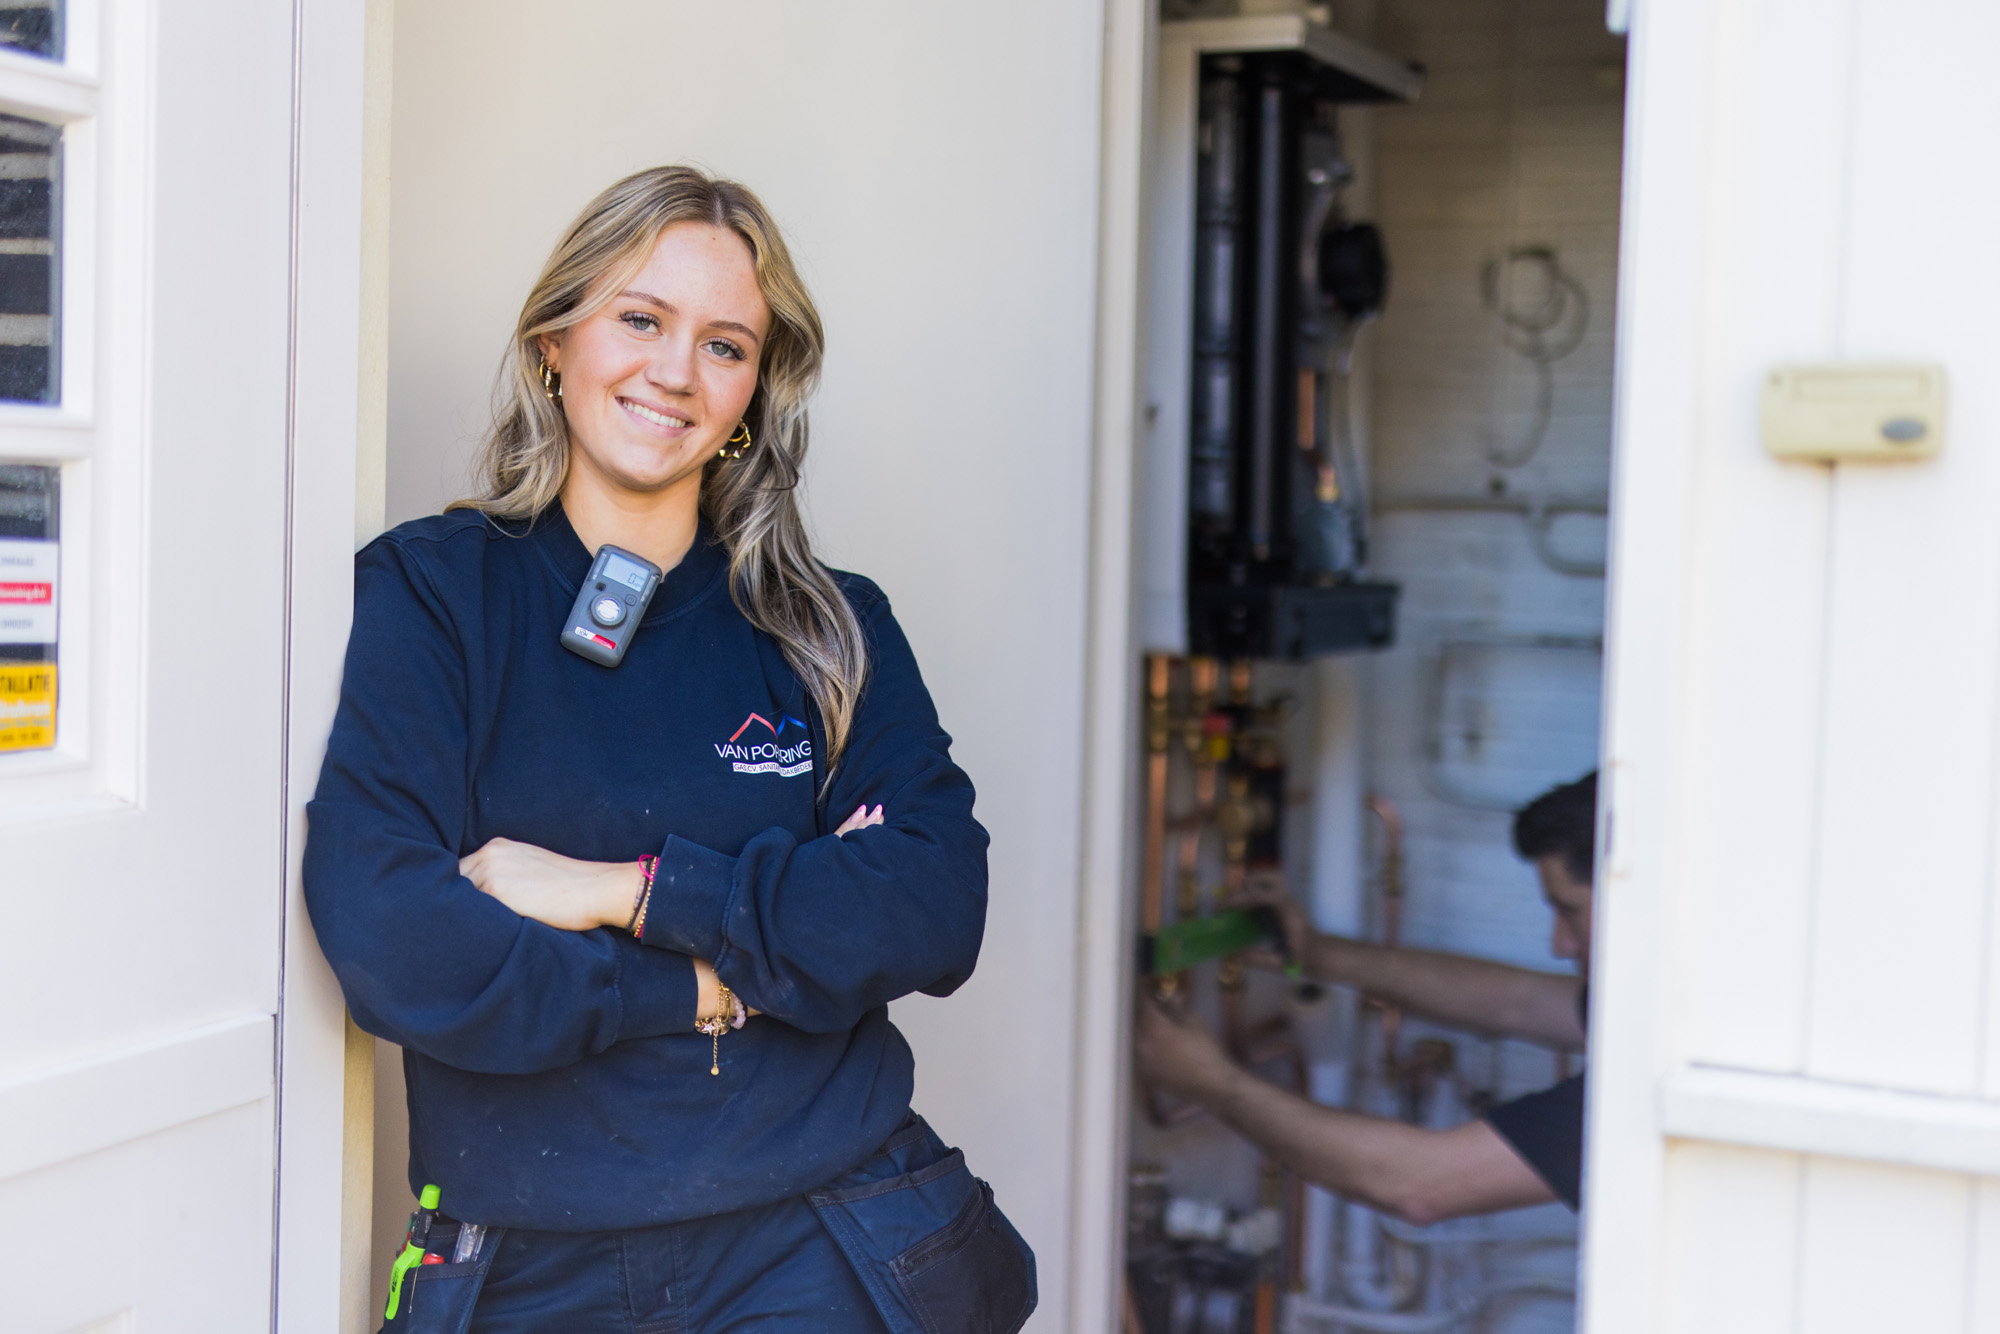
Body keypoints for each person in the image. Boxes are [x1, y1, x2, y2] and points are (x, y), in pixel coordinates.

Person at [304, 166, 1034, 1334]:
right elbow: (394, 936)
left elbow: (931, 902)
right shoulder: (433, 597)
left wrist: (622, 890)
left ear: (751, 392)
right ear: (555, 341)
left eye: (723, 344)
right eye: (640, 319)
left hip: (821, 1235)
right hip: (529, 1262)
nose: (676, 372)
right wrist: (704, 980)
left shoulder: (826, 628)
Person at [1133, 773, 1598, 1225]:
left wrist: (1212, 1083)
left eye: (1569, 910)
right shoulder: (1631, 1010)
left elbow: (1423, 1186)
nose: (1559, 944)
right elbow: (1517, 1002)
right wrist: (1319, 954)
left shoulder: (1635, 1080)